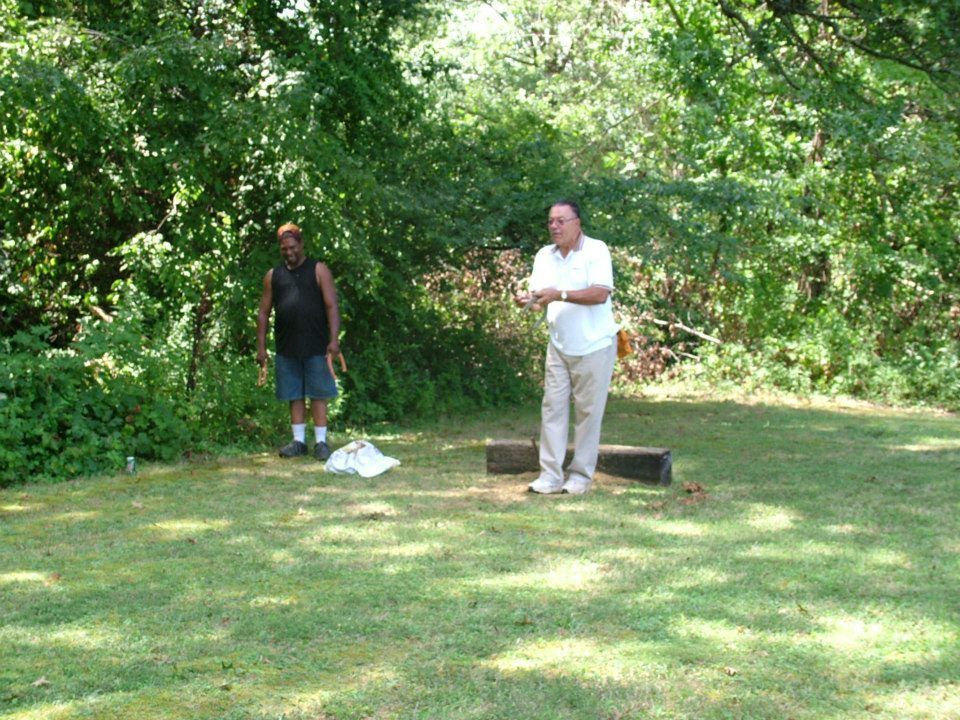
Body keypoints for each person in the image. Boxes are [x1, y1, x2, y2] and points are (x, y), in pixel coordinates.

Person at [514, 201, 618, 495]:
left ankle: (580, 477)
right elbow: (541, 301)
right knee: (552, 409)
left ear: (577, 223)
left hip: (595, 344)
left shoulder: (596, 250)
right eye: (550, 221)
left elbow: (599, 294)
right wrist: (528, 301)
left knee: (588, 413)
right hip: (559, 344)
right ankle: (549, 476)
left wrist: (559, 294)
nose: (554, 227)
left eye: (561, 221)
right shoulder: (544, 255)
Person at [257, 223, 341, 460]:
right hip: (286, 345)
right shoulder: (273, 276)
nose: (289, 252)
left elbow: (332, 306)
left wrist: (334, 340)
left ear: (301, 244)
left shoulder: (319, 270)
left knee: (318, 393)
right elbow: (263, 313)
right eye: (284, 248)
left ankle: (321, 443)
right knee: (294, 394)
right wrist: (261, 348)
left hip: (317, 344)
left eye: (293, 247)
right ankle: (299, 442)